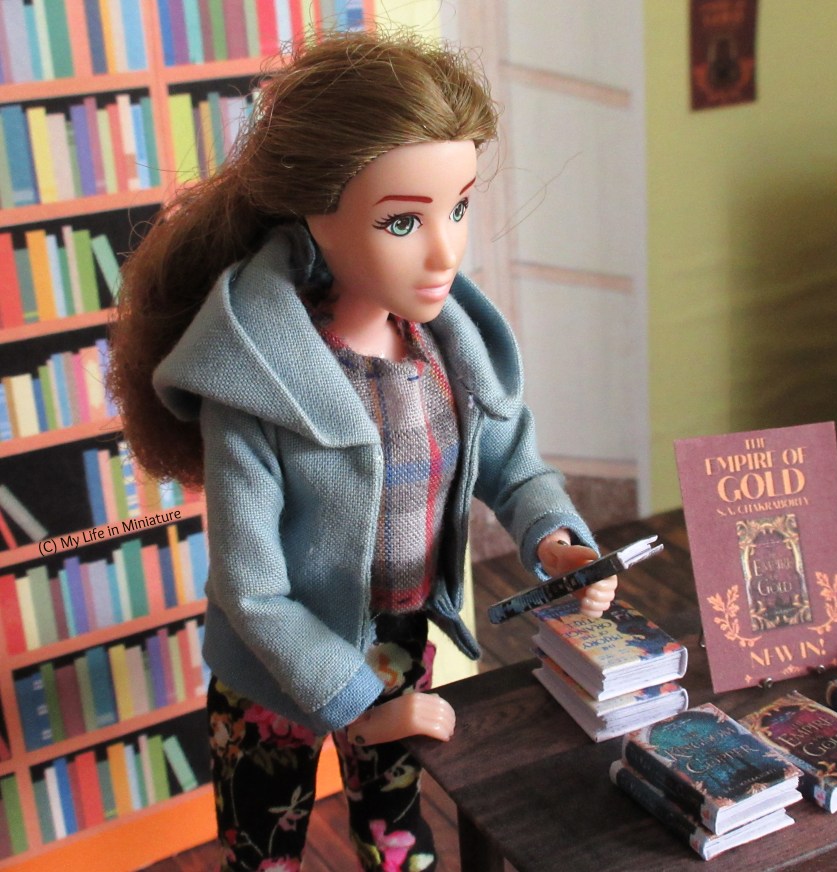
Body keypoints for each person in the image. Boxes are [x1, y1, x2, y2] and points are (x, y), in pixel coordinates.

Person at [108, 28, 616, 872]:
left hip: (400, 638)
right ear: (316, 211)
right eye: (402, 221)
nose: (446, 249)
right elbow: (252, 589)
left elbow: (512, 461)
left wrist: (556, 542)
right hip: (276, 674)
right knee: (264, 848)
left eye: (456, 207)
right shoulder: (258, 384)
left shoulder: (445, 352)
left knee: (400, 836)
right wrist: (356, 704)